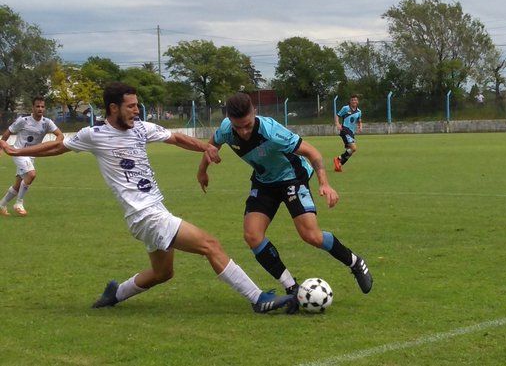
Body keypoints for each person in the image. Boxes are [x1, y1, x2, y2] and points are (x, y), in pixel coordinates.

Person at [0, 82, 292, 313]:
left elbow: (176, 138)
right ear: (113, 108)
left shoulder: (140, 128)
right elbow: (57, 147)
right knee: (210, 244)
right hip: (145, 214)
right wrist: (16, 151)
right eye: (130, 106)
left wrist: (206, 147)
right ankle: (258, 298)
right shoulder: (94, 134)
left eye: (137, 105)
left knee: (163, 273)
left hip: (152, 210)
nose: (136, 110)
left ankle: (116, 293)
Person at [197, 93, 373, 313]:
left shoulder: (272, 131)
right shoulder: (226, 128)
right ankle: (291, 288)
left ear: (254, 113)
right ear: (230, 120)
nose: (243, 131)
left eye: (248, 125)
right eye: (238, 127)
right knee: (252, 235)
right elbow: (211, 145)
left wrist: (325, 184)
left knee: (311, 235)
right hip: (264, 182)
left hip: (292, 177)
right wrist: (202, 171)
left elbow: (313, 153)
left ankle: (355, 262)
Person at [0, 96, 63, 216]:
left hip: (31, 155)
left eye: (42, 106)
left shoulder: (47, 122)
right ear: (33, 108)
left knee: (18, 185)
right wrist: (1, 147)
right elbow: (8, 132)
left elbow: (60, 136)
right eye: (37, 106)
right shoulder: (23, 121)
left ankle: (1, 204)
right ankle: (19, 203)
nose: (40, 109)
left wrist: (52, 145)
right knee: (31, 174)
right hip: (18, 152)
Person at [333, 94, 362, 172]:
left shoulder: (359, 111)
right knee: (354, 148)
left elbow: (359, 120)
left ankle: (339, 165)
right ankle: (338, 159)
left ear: (357, 101)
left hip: (351, 132)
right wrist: (337, 124)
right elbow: (337, 115)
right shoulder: (345, 108)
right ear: (350, 101)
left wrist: (360, 127)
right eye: (352, 100)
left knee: (350, 151)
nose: (354, 101)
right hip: (345, 130)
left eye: (355, 100)